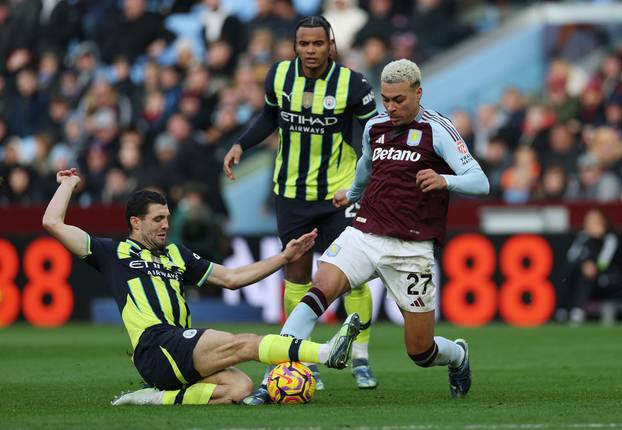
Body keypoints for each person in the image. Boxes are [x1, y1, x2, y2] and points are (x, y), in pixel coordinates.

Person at [42, 168, 361, 406]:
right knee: (244, 343)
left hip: (177, 348)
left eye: (167, 217)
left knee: (239, 389)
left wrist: (285, 256)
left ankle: (150, 399)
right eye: (157, 219)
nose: (166, 224)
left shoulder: (178, 255)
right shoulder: (111, 253)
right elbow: (52, 223)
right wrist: (68, 185)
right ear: (135, 223)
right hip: (156, 344)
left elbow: (233, 279)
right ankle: (324, 352)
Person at [278, 59, 490, 399]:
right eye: (386, 99)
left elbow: (481, 182)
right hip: (365, 231)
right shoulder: (374, 126)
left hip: (411, 248)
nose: (390, 107)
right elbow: (366, 163)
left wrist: (444, 180)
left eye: (399, 100)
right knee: (320, 288)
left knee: (421, 351)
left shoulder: (438, 129)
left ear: (418, 93)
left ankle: (458, 355)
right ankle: (277, 373)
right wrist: (353, 193)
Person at [223, 15, 379, 403]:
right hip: (291, 194)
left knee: (353, 275)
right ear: (295, 46)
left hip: (337, 196)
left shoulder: (352, 83)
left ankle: (360, 356)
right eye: (303, 44)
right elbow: (269, 117)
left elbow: (369, 134)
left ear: (331, 45)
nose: (310, 50)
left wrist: (363, 182)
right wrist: (242, 143)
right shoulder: (278, 76)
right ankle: (300, 359)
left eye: (317, 44)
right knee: (296, 272)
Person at [555, 208, 622, 325]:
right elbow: (571, 257)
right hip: (585, 276)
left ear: (603, 221)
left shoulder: (611, 238)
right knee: (568, 272)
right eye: (589, 220)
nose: (590, 223)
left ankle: (577, 310)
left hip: (609, 279)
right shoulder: (583, 236)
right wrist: (584, 263)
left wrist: (594, 266)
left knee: (587, 274)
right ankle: (562, 309)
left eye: (594, 220)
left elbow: (604, 263)